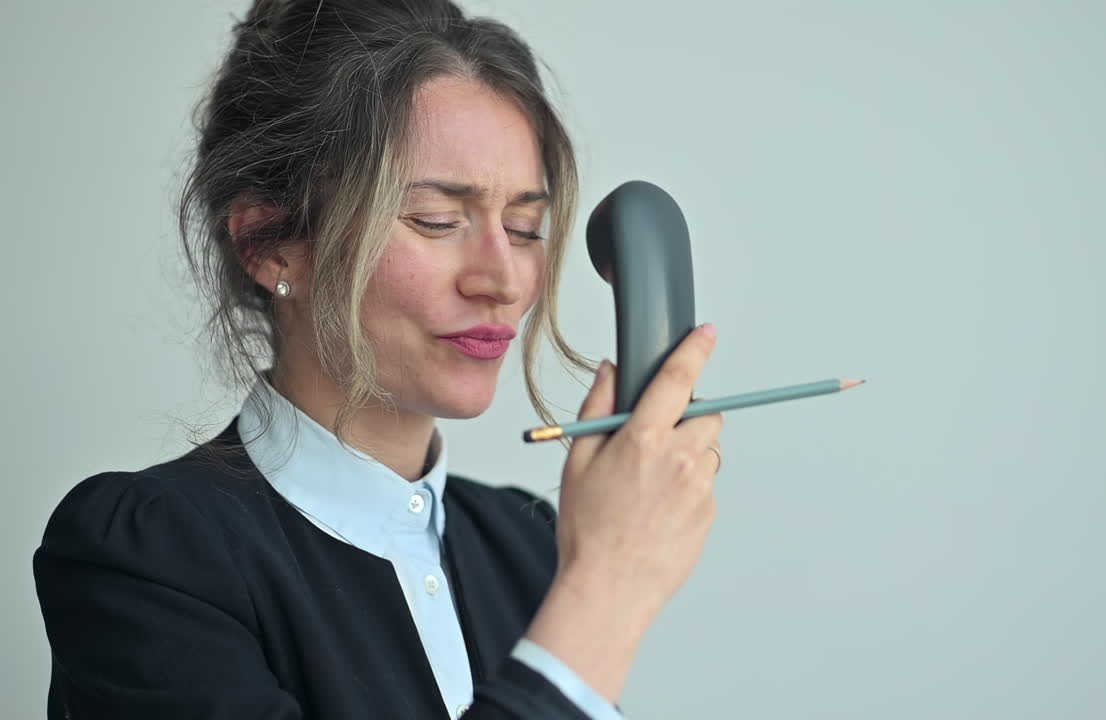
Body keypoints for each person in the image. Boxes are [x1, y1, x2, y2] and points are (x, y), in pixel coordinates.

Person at [31, 1, 725, 718]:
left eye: (525, 227)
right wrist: (606, 589)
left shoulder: (529, 547)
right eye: (436, 220)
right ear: (267, 242)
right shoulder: (150, 559)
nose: (505, 279)